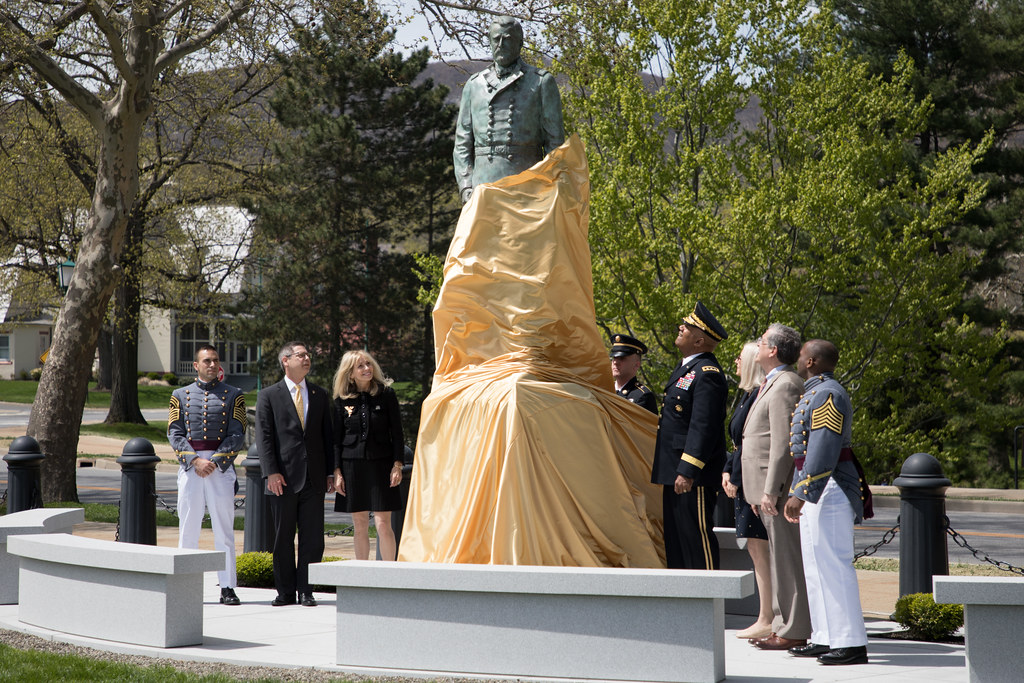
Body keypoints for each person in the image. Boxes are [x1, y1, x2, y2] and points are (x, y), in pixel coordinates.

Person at [784, 340, 869, 665]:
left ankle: (850, 642)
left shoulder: (828, 393)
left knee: (834, 564)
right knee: (816, 566)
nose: (800, 359)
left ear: (812, 361)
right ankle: (825, 635)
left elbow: (823, 447)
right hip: (818, 484)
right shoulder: (815, 392)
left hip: (829, 485)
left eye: (804, 355)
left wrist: (802, 492)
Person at [741, 323, 811, 650]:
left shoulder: (785, 385)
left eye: (763, 340)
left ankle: (793, 629)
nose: (758, 343)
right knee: (779, 559)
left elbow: (784, 444)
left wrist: (770, 490)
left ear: (773, 351)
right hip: (769, 489)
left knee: (786, 560)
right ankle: (784, 625)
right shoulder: (772, 382)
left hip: (780, 491)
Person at [453, 16, 565, 203]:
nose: (501, 44)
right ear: (490, 41)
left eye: (508, 39)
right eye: (496, 39)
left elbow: (555, 145)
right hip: (482, 188)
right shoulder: (474, 85)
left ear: (520, 43)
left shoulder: (541, 82)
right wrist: (466, 186)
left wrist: (550, 187)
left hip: (528, 187)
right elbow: (462, 144)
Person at [651, 301, 729, 569]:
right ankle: (685, 606)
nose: (680, 327)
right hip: (674, 470)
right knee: (676, 542)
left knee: (696, 540)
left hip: (690, 475)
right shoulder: (687, 368)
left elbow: (703, 427)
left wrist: (688, 470)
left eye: (687, 326)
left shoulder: (708, 374)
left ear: (699, 340)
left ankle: (708, 604)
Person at [256, 341, 334, 607]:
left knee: (313, 538)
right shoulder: (269, 395)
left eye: (308, 354)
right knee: (283, 538)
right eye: (301, 354)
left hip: (314, 478)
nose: (307, 358)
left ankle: (306, 590)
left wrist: (330, 473)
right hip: (283, 479)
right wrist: (272, 472)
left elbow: (327, 437)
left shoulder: (320, 394)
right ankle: (285, 591)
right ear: (285, 361)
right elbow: (264, 438)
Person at [167, 344, 246, 606]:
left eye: (215, 360)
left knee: (223, 530)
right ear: (196, 366)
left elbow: (237, 433)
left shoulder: (234, 394)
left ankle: (227, 586)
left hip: (220, 468)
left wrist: (214, 461)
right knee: (188, 527)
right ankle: (184, 584)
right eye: (207, 361)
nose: (212, 365)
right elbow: (174, 433)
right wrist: (194, 460)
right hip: (191, 468)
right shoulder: (180, 394)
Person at [331, 350, 406, 561]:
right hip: (352, 466)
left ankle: (390, 576)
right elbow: (336, 439)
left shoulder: (386, 394)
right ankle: (362, 576)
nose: (367, 369)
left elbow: (397, 434)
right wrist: (337, 471)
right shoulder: (341, 399)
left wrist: (397, 465)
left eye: (368, 364)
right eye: (360, 366)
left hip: (382, 465)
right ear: (350, 373)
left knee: (383, 524)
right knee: (360, 524)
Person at [721, 341, 771, 638]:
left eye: (740, 358)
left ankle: (767, 616)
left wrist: (736, 476)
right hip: (741, 475)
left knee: (761, 550)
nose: (736, 362)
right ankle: (765, 614)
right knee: (755, 550)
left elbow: (751, 444)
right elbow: (739, 443)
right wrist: (729, 469)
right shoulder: (746, 396)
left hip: (752, 480)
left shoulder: (756, 397)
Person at [609, 333, 657, 414]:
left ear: (636, 365)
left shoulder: (642, 396)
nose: (616, 362)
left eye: (622, 358)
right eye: (614, 357)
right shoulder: (606, 389)